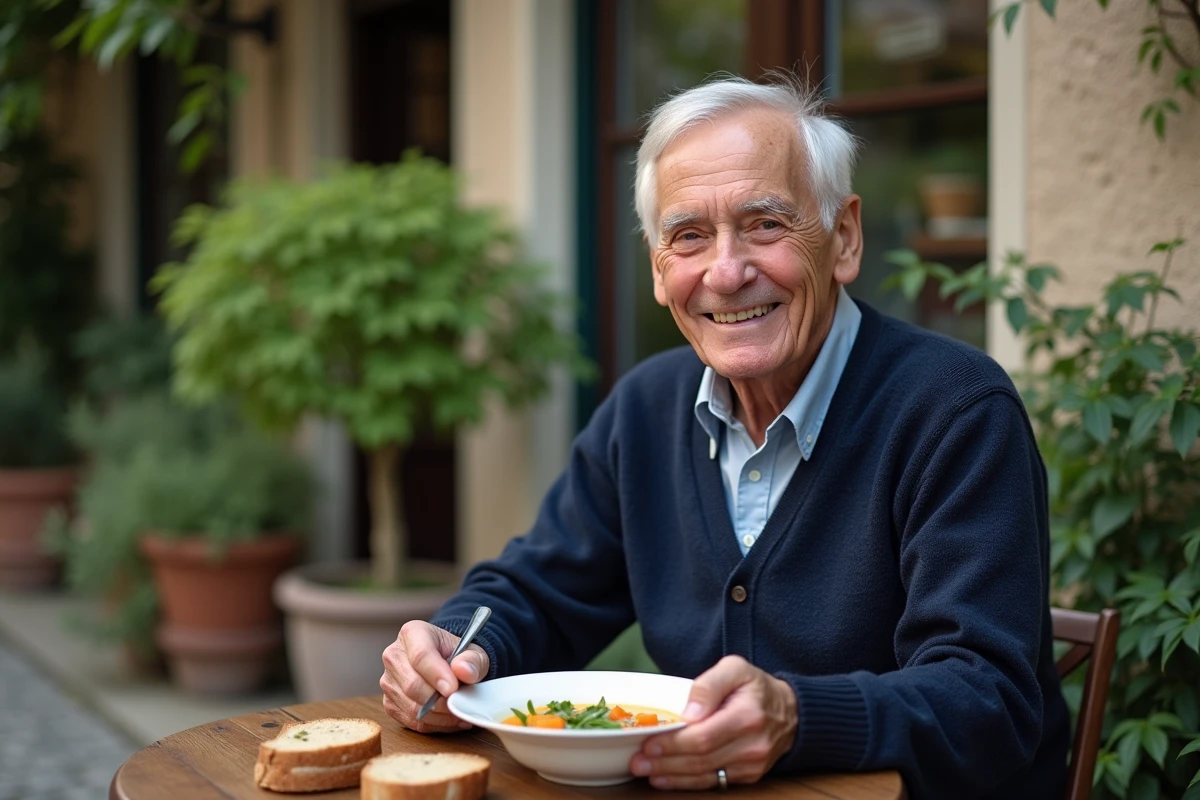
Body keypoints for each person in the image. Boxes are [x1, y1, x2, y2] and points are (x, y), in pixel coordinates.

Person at [380, 75, 1069, 799]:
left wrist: (798, 719)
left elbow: (989, 698)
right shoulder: (645, 407)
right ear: (658, 269)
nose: (727, 272)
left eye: (765, 225)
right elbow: (541, 591)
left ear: (844, 238)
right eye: (688, 237)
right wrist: (462, 648)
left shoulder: (955, 409)